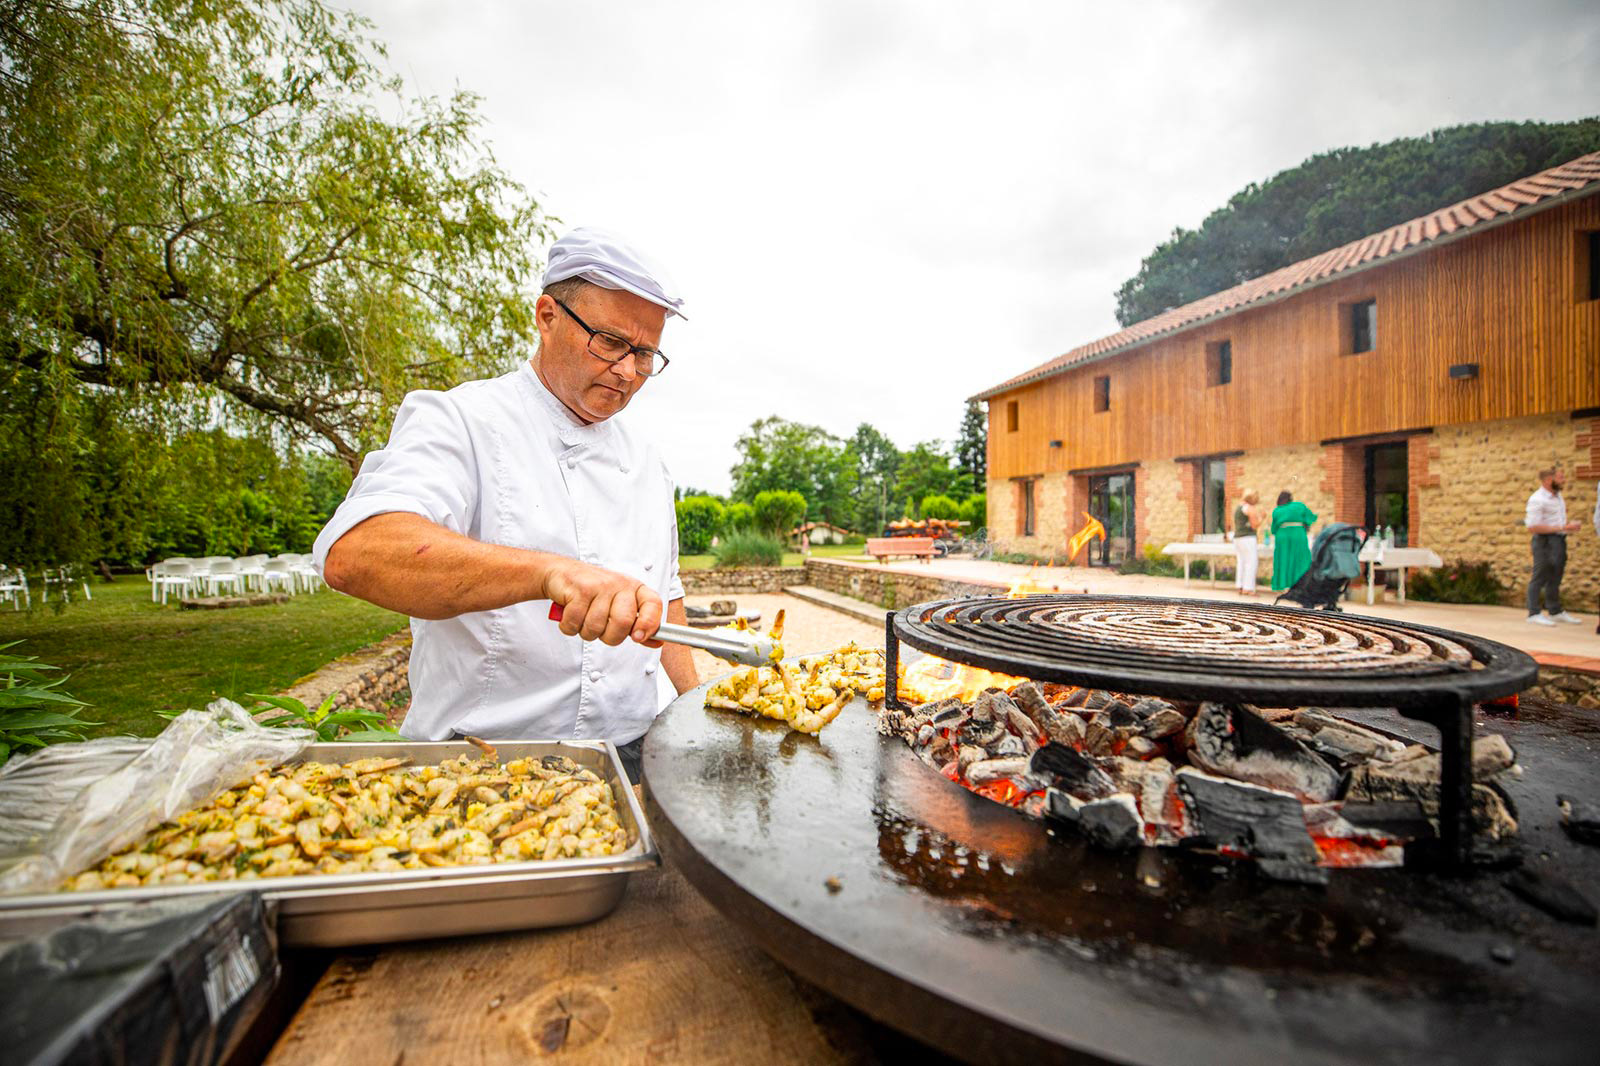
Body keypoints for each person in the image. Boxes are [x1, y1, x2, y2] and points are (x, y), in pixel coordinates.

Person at [313, 227, 698, 782]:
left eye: (645, 353)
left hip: (632, 751)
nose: (629, 371)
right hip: (484, 760)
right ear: (547, 316)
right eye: (611, 343)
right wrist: (549, 573)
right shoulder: (461, 421)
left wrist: (701, 706)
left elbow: (667, 596)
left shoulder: (646, 462)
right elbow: (357, 554)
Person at [1523, 467, 1583, 626]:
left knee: (1556, 575)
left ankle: (1555, 611)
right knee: (1540, 575)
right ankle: (1533, 612)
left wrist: (1566, 527)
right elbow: (1532, 527)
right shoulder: (1537, 499)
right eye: (1560, 478)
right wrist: (1564, 527)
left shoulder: (1557, 496)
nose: (1563, 480)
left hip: (1558, 540)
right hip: (1543, 541)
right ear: (1549, 480)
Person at [1269, 491, 1317, 592]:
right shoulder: (1299, 506)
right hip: (1298, 534)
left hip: (1282, 535)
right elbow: (1310, 518)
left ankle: (1283, 584)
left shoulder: (1277, 510)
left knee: (1283, 558)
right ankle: (1301, 584)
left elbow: (1273, 529)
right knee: (1300, 558)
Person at [1232, 489, 1264, 596]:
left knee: (1241, 562)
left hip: (1237, 538)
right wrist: (1262, 518)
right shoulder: (1250, 508)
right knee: (1251, 562)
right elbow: (1255, 525)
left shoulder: (1239, 507)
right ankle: (1248, 588)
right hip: (1248, 538)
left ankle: (1240, 586)